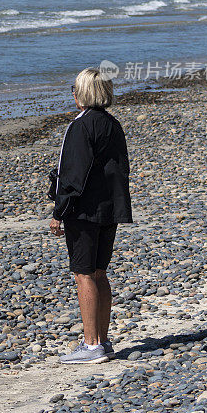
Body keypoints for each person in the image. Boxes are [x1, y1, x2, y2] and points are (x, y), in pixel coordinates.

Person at [49, 67, 132, 364]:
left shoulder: (81, 126)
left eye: (73, 89)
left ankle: (91, 343)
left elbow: (72, 174)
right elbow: (122, 168)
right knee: (99, 272)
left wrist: (59, 212)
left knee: (83, 273)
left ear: (81, 93)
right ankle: (103, 340)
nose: (72, 94)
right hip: (110, 207)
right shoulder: (112, 124)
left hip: (84, 210)